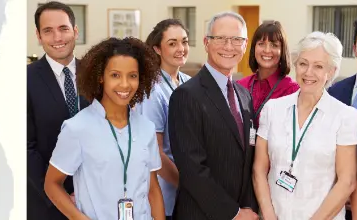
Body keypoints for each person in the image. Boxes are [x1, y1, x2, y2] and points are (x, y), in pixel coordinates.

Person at [44, 37, 165, 220]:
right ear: (101, 77)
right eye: (115, 75)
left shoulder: (147, 128)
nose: (125, 84)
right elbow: (52, 184)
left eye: (132, 75)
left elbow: (153, 190)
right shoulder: (77, 128)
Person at [251, 32, 357, 220]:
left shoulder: (345, 116)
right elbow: (259, 169)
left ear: (331, 71)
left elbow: (347, 182)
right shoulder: (273, 109)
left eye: (318, 66)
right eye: (303, 64)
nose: (308, 72)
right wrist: (268, 216)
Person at [169, 12, 259, 220]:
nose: (229, 46)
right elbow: (192, 169)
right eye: (221, 39)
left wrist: (247, 209)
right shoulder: (186, 96)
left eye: (237, 40)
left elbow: (247, 159)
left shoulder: (244, 95)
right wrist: (234, 213)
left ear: (245, 45)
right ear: (206, 42)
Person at [26, 2, 89, 219]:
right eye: (48, 31)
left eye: (63, 28)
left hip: (94, 198)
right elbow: (26, 148)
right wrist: (59, 194)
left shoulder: (96, 75)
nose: (57, 38)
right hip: (46, 205)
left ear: (75, 31)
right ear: (38, 35)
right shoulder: (24, 80)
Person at [141, 18, 190, 220]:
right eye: (172, 43)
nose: (181, 48)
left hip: (189, 191)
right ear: (157, 49)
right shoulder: (151, 90)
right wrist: (188, 187)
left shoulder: (188, 82)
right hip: (167, 194)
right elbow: (156, 153)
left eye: (184, 41)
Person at [236, 20, 300, 126]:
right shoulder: (240, 86)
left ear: (282, 51)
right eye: (261, 44)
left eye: (274, 45)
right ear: (254, 48)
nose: (267, 50)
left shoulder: (292, 91)